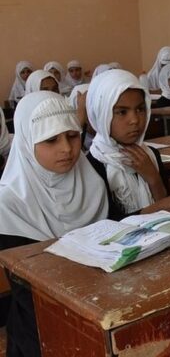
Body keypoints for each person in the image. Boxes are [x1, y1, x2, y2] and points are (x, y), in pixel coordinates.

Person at [0, 91, 108, 357]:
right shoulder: (8, 204)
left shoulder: (92, 181)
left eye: (72, 135)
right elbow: (26, 290)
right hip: (41, 327)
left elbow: (113, 235)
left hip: (103, 308)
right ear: (27, 141)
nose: (67, 149)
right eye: (51, 140)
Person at [86, 69, 170, 220]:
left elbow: (165, 204)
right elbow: (109, 224)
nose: (135, 120)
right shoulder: (93, 165)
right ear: (101, 114)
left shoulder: (150, 154)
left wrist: (153, 179)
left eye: (140, 109)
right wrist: (165, 203)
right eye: (122, 112)